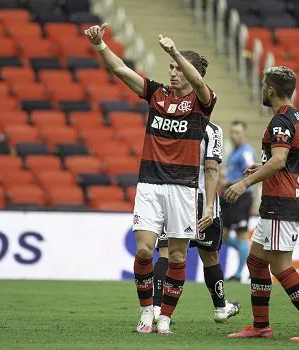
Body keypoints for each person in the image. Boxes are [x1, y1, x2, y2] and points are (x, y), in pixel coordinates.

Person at [85, 24, 217, 334]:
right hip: (150, 185)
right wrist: (100, 45)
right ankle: (147, 311)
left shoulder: (202, 102)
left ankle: (166, 318)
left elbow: (199, 83)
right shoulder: (156, 94)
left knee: (177, 255)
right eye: (170, 67)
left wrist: (174, 50)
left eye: (177, 68)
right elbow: (119, 70)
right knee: (144, 251)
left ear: (191, 72)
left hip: (183, 188)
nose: (172, 73)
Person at [225, 66, 299, 342]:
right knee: (256, 261)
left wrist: (244, 183)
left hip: (282, 200)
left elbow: (281, 160)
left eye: (263, 84)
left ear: (270, 89)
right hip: (289, 195)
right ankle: (261, 325)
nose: (262, 88)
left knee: (281, 266)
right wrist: (266, 165)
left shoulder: (281, 120)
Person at [152, 121, 240, 323]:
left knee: (168, 252)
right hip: (201, 197)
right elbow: (212, 168)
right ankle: (220, 308)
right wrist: (209, 205)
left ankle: (157, 310)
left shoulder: (168, 122)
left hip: (171, 196)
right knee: (210, 256)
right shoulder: (212, 129)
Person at [221, 121, 255, 282]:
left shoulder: (246, 152)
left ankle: (240, 273)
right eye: (232, 132)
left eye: (238, 133)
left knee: (241, 234)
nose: (234, 136)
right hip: (230, 197)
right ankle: (248, 256)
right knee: (223, 235)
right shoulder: (234, 152)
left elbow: (252, 174)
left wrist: (231, 182)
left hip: (242, 197)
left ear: (243, 134)